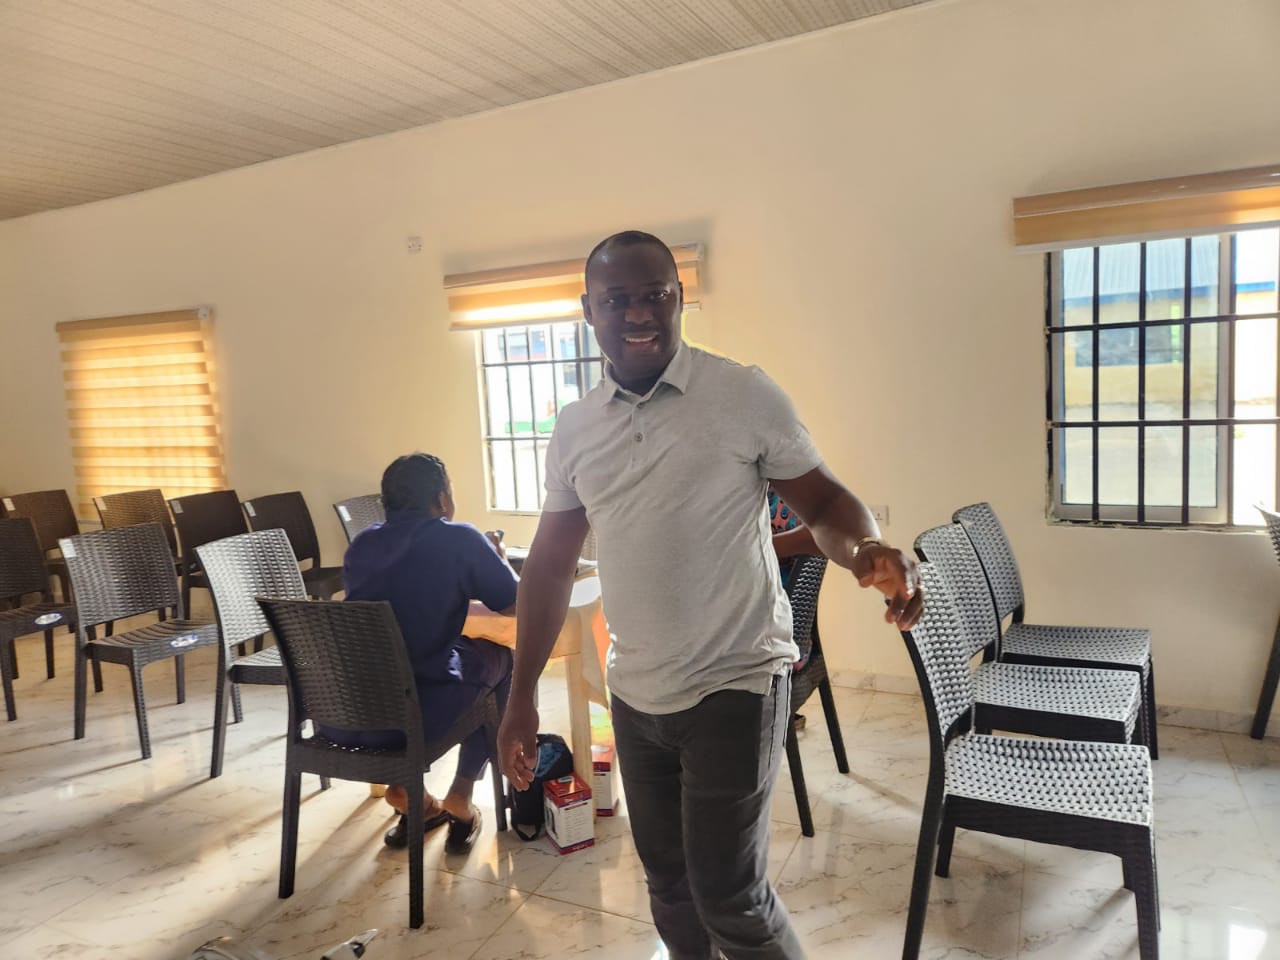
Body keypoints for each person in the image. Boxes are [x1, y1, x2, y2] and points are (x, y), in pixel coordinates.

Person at [498, 230, 924, 960]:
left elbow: (824, 503)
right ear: (588, 310)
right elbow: (547, 566)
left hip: (737, 679)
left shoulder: (741, 395)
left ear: (680, 299)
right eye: (617, 299)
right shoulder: (575, 429)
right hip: (637, 691)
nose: (639, 313)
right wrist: (520, 697)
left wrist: (864, 549)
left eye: (655, 295)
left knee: (731, 894)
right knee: (669, 885)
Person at [330, 453, 517, 853]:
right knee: (501, 659)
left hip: (348, 713)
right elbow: (514, 603)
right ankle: (461, 795)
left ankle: (407, 792)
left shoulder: (362, 545)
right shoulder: (459, 538)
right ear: (442, 499)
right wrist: (499, 559)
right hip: (418, 712)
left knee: (415, 661)